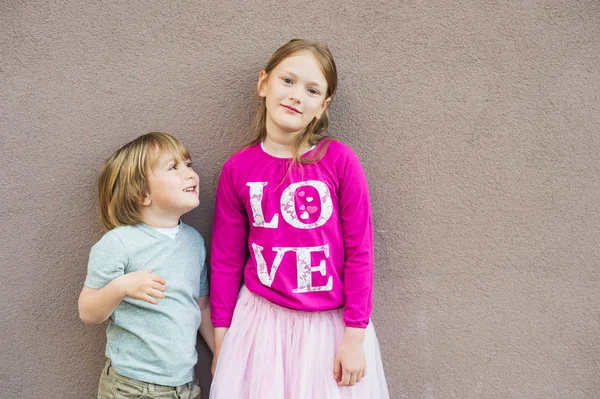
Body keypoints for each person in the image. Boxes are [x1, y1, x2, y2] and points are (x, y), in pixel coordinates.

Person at [210, 39, 389, 398]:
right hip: (260, 325)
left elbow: (360, 252)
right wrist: (221, 341)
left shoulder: (338, 161)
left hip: (328, 330)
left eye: (311, 90)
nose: (296, 95)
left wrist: (353, 338)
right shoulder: (238, 168)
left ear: (322, 107)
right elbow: (226, 259)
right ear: (264, 84)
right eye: (287, 81)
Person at [78, 132, 214, 399]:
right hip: (131, 386)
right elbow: (88, 312)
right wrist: (120, 287)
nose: (190, 174)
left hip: (184, 386)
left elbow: (202, 305)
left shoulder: (194, 242)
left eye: (189, 164)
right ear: (141, 194)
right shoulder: (119, 243)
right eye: (174, 167)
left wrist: (222, 352)